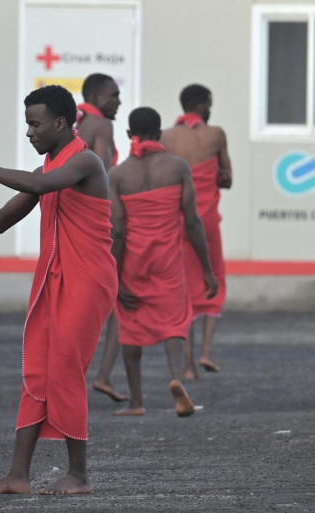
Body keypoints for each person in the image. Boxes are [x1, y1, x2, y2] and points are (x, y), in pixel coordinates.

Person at [0, 85, 116, 496]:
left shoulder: (85, 161)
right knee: (38, 369)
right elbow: (0, 221)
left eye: (35, 125)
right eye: (27, 125)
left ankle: (79, 476)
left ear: (60, 124)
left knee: (66, 368)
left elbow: (42, 187)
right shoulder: (46, 170)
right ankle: (18, 475)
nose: (30, 133)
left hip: (88, 281)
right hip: (54, 278)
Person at [107, 107, 217, 417]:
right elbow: (193, 221)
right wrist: (207, 270)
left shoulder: (117, 175)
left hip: (133, 261)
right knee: (174, 324)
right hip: (168, 259)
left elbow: (117, 230)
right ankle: (176, 381)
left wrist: (116, 276)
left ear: (130, 135)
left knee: (130, 325)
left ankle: (136, 402)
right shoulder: (177, 167)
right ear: (160, 134)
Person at [160, 84, 231, 378]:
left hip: (178, 220)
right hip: (207, 222)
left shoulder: (166, 136)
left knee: (183, 288)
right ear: (203, 105)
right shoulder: (216, 134)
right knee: (214, 278)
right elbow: (227, 179)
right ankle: (206, 353)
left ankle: (187, 366)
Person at [75, 73, 129, 403]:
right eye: (113, 96)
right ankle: (103, 374)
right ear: (96, 96)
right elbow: (103, 174)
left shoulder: (74, 123)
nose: (118, 101)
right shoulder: (102, 125)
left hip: (70, 216)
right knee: (116, 301)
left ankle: (76, 373)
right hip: (97, 222)